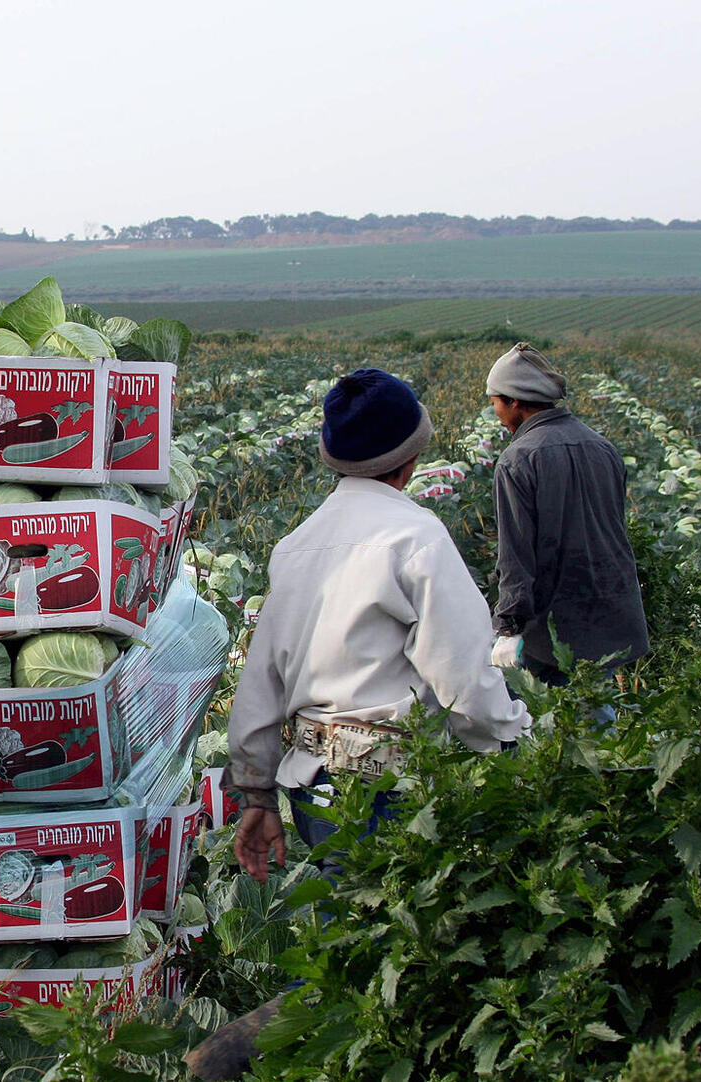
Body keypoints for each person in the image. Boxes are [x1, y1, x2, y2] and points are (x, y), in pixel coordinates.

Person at [187, 369, 529, 1081]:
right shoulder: (416, 538)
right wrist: (509, 738)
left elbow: (260, 687)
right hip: (390, 788)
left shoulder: (299, 544)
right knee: (393, 961)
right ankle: (234, 1057)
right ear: (412, 457)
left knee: (360, 942)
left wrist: (255, 797)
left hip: (312, 786)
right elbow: (465, 678)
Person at [485, 342, 649, 684]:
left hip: (554, 628)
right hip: (610, 613)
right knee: (595, 715)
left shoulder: (519, 460)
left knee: (550, 724)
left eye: (495, 402)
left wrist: (509, 626)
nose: (495, 412)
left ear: (514, 401)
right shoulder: (602, 447)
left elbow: (516, 554)